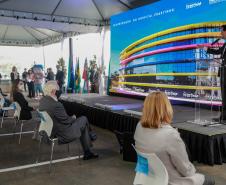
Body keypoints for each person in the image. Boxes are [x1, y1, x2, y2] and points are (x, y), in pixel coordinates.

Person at [134, 91, 215, 185]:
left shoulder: (139, 126)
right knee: (209, 180)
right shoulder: (171, 135)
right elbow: (186, 171)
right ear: (167, 108)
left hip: (148, 177)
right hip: (171, 181)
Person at [39, 81, 98, 160]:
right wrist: (73, 118)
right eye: (57, 90)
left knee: (83, 126)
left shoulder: (43, 100)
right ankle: (91, 138)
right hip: (63, 132)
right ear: (53, 91)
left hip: (50, 130)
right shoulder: (56, 105)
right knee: (84, 119)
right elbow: (66, 120)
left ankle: (88, 149)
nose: (58, 92)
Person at [206, 25, 226, 122]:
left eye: (222, 31)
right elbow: (218, 51)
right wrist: (207, 49)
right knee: (224, 96)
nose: (221, 33)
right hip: (223, 72)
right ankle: (223, 117)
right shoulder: (225, 44)